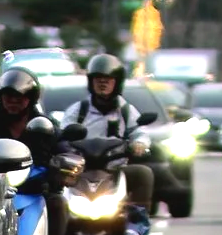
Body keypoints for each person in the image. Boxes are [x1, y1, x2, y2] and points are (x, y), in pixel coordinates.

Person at [55, 49, 154, 224]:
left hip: (114, 168)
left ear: (117, 83)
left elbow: (139, 131)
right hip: (81, 170)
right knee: (53, 186)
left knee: (143, 173)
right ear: (90, 82)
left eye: (108, 80)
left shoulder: (126, 110)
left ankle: (136, 228)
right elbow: (63, 134)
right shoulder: (78, 110)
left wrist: (139, 143)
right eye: (98, 79)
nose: (102, 83)